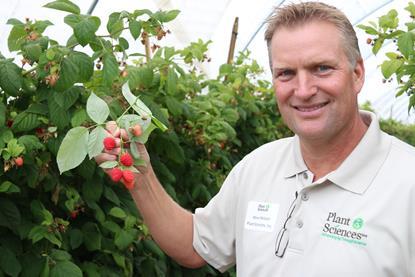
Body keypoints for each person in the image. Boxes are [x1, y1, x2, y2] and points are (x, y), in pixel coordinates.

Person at [96, 2, 415, 276]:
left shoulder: (407, 182)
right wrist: (141, 177)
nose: (303, 90)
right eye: (286, 73)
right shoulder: (259, 167)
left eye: (321, 68)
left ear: (357, 73)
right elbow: (197, 245)